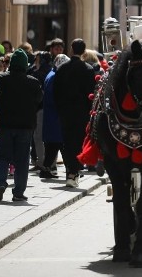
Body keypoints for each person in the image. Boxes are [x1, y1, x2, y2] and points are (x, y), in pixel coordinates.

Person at [0, 49, 43, 202]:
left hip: (4, 124)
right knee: (22, 159)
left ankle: (1, 182)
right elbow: (39, 101)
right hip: (25, 126)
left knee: (2, 155)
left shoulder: (0, 79)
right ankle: (19, 192)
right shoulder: (33, 82)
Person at [53, 39, 96, 188]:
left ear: (71, 49)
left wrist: (59, 108)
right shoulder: (88, 69)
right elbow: (92, 94)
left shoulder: (62, 69)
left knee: (67, 142)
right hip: (82, 113)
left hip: (65, 112)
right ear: (84, 51)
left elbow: (56, 92)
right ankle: (74, 171)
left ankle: (70, 171)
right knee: (78, 142)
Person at [39, 53, 70, 180]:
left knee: (55, 146)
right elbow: (55, 97)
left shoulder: (52, 75)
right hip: (55, 118)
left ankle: (48, 169)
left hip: (53, 118)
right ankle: (70, 170)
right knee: (59, 145)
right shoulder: (54, 77)